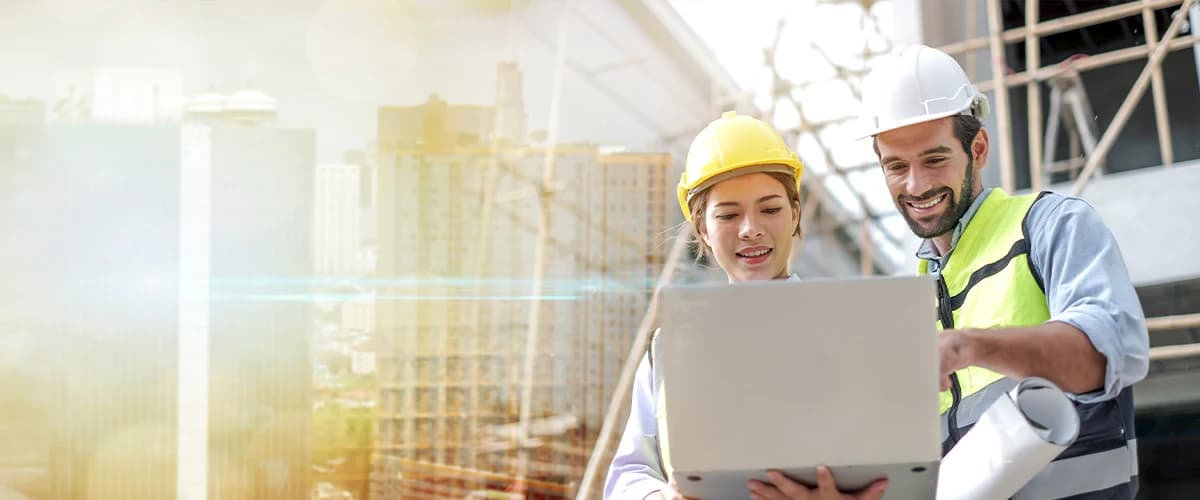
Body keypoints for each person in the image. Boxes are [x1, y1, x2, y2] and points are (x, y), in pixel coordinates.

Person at [860, 44, 1150, 499]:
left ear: (978, 148)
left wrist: (966, 346)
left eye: (934, 159)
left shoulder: (1049, 225)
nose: (915, 185)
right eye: (896, 166)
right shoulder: (909, 294)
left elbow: (1108, 351)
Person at [603, 111, 888, 500]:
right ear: (703, 228)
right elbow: (628, 474)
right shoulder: (667, 350)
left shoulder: (851, 332)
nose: (750, 228)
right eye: (728, 215)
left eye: (769, 209)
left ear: (795, 214)